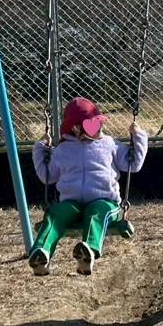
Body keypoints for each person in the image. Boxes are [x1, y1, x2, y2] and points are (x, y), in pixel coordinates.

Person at [29, 96, 148, 277]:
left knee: (96, 213)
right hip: (71, 203)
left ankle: (89, 251)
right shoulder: (62, 150)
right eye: (91, 125)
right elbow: (47, 175)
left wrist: (138, 136)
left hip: (105, 201)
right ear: (75, 128)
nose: (98, 128)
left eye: (97, 123)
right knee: (55, 214)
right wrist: (40, 148)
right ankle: (41, 252)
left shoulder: (109, 144)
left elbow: (134, 164)